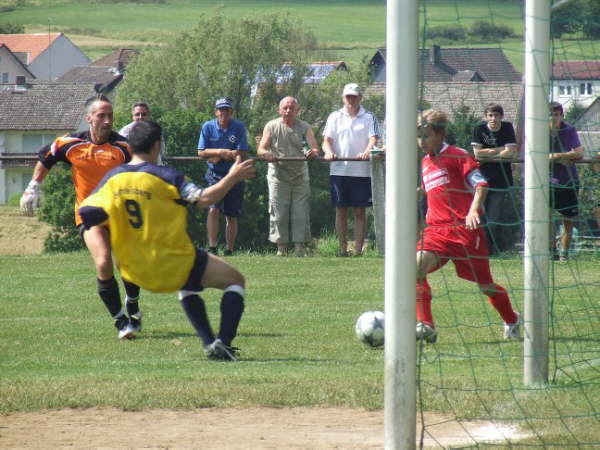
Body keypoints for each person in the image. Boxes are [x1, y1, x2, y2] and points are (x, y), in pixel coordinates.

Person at [79, 120, 256, 361]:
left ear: (130, 147)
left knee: (190, 283)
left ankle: (209, 344)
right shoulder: (167, 176)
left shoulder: (112, 179)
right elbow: (204, 199)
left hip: (135, 272)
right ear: (156, 146)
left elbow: (87, 211)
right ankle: (223, 342)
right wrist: (232, 177)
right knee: (236, 281)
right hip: (174, 263)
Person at [19, 95, 143, 340]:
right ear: (89, 119)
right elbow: (46, 157)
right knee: (104, 261)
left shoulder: (124, 147)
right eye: (101, 116)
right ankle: (121, 322)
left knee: (128, 265)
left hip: (120, 215)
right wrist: (33, 185)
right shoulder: (70, 143)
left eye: (110, 116)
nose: (107, 121)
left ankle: (133, 305)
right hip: (89, 215)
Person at [415, 109, 520, 343]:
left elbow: (480, 184)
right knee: (415, 268)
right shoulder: (424, 161)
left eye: (425, 136)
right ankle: (426, 325)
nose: (421, 142)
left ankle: (512, 319)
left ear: (440, 134)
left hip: (465, 230)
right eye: (418, 136)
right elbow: (435, 190)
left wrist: (473, 210)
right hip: (437, 231)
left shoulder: (457, 155)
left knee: (486, 286)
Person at [322, 83, 380, 256]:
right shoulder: (334, 116)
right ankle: (342, 249)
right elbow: (326, 141)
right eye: (348, 96)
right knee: (340, 210)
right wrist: (329, 152)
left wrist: (366, 151)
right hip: (339, 170)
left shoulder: (369, 117)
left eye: (354, 96)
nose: (351, 100)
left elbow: (373, 139)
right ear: (343, 98)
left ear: (360, 98)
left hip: (361, 171)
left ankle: (359, 250)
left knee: (360, 211)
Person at [257, 96, 320, 257]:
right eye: (285, 108)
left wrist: (313, 153)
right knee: (279, 212)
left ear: (297, 111)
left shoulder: (305, 127)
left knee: (300, 212)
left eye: (291, 108)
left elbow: (314, 148)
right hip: (278, 176)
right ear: (279, 110)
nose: (288, 111)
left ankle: (299, 248)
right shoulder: (271, 126)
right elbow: (261, 149)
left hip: (300, 176)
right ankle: (281, 248)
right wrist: (267, 154)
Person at [197, 97, 249, 256]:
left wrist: (233, 167)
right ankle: (212, 247)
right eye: (221, 109)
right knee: (213, 210)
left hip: (234, 175)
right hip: (214, 175)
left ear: (231, 112)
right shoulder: (207, 127)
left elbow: (241, 153)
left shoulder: (239, 127)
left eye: (227, 110)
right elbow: (201, 152)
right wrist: (221, 153)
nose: (224, 113)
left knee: (231, 215)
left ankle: (229, 249)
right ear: (216, 112)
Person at [471, 103, 518, 255]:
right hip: (480, 180)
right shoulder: (479, 129)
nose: (493, 118)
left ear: (501, 116)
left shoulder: (507, 127)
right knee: (476, 215)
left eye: (496, 115)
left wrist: (489, 154)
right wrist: (499, 150)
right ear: (486, 117)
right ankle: (473, 248)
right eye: (490, 115)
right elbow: (477, 154)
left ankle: (487, 249)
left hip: (501, 180)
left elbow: (510, 153)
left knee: (492, 218)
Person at [549, 102, 584, 262]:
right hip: (546, 182)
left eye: (556, 114)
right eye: (550, 114)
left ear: (562, 116)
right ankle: (551, 251)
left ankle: (564, 254)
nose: (553, 117)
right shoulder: (539, 131)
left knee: (568, 220)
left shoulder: (569, 130)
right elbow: (537, 155)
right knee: (545, 217)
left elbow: (578, 153)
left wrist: (554, 156)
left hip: (569, 180)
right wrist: (563, 156)